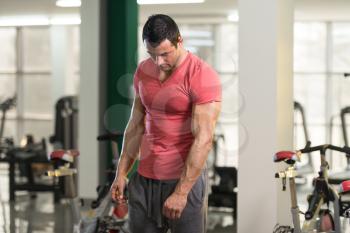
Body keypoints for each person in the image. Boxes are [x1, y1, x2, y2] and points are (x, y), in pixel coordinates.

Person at [111, 14, 221, 233]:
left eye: (164, 54)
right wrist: (121, 173)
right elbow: (136, 124)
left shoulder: (201, 75)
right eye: (152, 55)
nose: (159, 62)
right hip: (144, 180)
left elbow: (204, 138)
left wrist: (181, 193)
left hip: (183, 181)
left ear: (179, 41)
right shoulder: (143, 70)